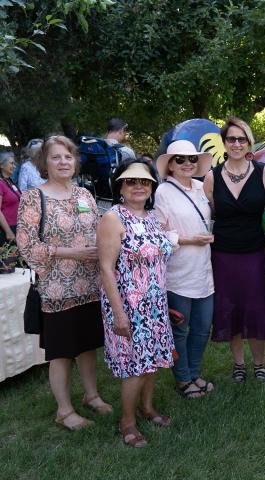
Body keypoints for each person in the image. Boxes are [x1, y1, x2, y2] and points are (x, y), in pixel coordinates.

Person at [17, 135, 112, 431]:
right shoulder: (34, 198)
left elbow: (99, 232)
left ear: (75, 161)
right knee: (61, 352)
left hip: (89, 287)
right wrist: (71, 252)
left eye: (68, 157)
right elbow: (26, 246)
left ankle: (91, 395)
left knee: (87, 346)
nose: (63, 162)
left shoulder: (84, 195)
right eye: (56, 157)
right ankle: (64, 410)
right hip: (56, 290)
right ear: (45, 163)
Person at [98, 159, 176, 448]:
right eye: (131, 181)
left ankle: (147, 407)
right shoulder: (113, 218)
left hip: (154, 303)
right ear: (120, 186)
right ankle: (127, 421)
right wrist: (119, 314)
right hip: (127, 305)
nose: (138, 186)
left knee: (152, 359)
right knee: (134, 365)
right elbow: (106, 268)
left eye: (144, 181)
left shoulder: (152, 217)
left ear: (152, 187)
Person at [203, 117, 265, 383]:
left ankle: (259, 364)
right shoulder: (211, 177)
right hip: (222, 255)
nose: (236, 143)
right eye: (231, 139)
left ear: (248, 142)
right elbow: (207, 216)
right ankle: (238, 364)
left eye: (241, 139)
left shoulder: (263, 173)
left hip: (254, 252)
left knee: (255, 307)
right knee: (229, 307)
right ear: (224, 143)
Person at [155, 140, 215, 397]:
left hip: (204, 270)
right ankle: (183, 379)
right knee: (180, 328)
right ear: (170, 164)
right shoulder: (162, 192)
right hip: (178, 272)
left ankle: (195, 373)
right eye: (180, 159)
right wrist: (190, 240)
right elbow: (159, 234)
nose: (187, 163)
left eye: (191, 159)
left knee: (202, 327)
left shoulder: (203, 188)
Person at [1, 151, 21, 245]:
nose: (14, 166)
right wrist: (8, 232)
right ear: (1, 165)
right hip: (7, 229)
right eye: (11, 163)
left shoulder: (9, 181)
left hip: (17, 226)